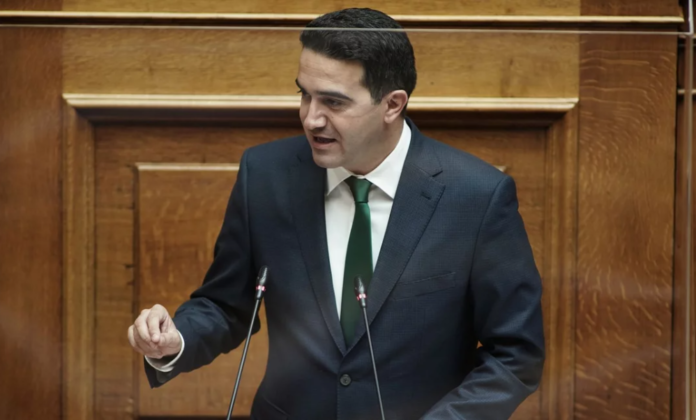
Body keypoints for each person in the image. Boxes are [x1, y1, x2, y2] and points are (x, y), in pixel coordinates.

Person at [127, 8, 545, 420]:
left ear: (392, 104)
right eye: (304, 95)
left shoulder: (476, 196)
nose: (311, 118)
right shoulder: (266, 176)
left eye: (333, 102)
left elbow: (514, 355)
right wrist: (177, 339)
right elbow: (226, 305)